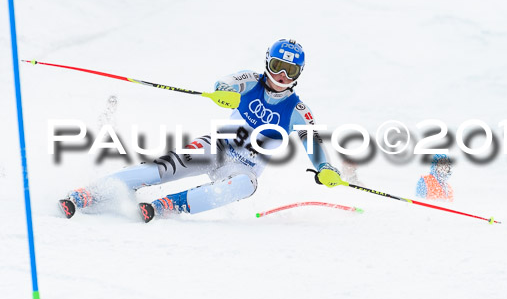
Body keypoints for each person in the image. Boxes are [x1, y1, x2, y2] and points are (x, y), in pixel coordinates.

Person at [59, 39, 342, 222]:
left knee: (247, 186)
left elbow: (314, 144)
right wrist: (224, 93)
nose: (281, 76)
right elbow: (226, 83)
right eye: (277, 66)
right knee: (163, 168)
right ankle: (91, 192)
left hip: (243, 168)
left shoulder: (297, 110)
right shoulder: (251, 80)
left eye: (290, 71)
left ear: (299, 74)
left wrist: (326, 167)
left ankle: (168, 205)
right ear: (267, 62)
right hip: (216, 148)